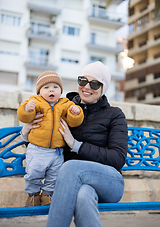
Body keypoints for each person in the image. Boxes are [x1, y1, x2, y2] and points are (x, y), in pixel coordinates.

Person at [22, 61, 128, 227]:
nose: (87, 87)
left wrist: (75, 145)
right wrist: (26, 135)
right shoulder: (63, 108)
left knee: (70, 166)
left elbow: (118, 158)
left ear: (103, 88)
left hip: (109, 181)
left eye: (94, 83)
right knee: (83, 195)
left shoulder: (114, 114)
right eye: (83, 80)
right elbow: (46, 148)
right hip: (76, 183)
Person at [17, 70, 84, 207]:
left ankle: (48, 195)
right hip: (37, 149)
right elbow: (23, 116)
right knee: (33, 173)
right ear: (39, 91)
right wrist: (28, 110)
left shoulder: (65, 103)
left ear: (61, 91)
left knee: (54, 176)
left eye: (55, 87)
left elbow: (74, 122)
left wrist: (76, 113)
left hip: (57, 151)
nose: (51, 90)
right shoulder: (35, 101)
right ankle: (33, 195)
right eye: (46, 87)